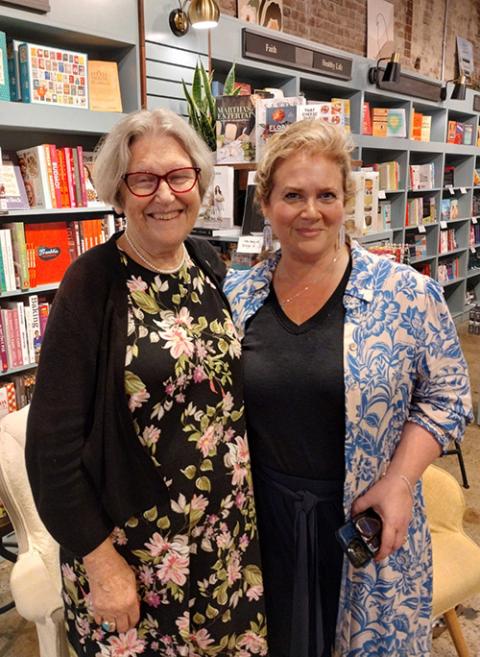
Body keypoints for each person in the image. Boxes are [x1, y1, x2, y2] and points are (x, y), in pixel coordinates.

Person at [223, 118, 473, 657]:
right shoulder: (236, 296)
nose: (310, 211)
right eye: (292, 195)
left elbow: (449, 395)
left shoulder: (407, 296)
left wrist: (402, 481)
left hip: (362, 524)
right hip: (260, 525)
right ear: (265, 204)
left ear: (347, 201)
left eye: (326, 195)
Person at [26, 108, 267, 657]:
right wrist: (100, 562)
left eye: (179, 176)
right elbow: (51, 450)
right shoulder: (90, 284)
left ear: (200, 184)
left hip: (224, 544)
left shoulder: (208, 264)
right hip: (135, 557)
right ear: (119, 191)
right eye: (144, 179)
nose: (165, 195)